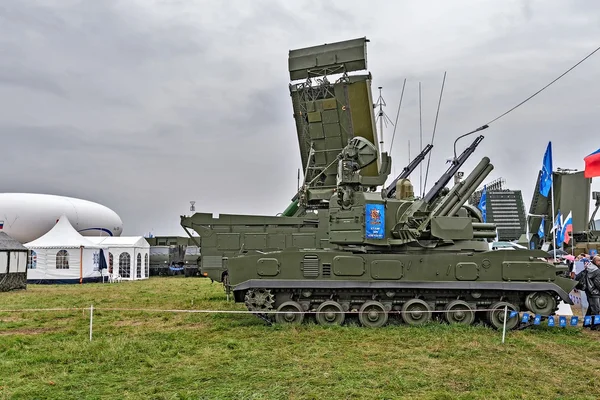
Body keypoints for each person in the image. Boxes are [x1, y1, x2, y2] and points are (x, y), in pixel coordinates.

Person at [574, 255, 600, 330]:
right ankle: (595, 326)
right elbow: (598, 283)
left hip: (589, 291)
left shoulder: (589, 267)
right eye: (599, 261)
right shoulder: (596, 270)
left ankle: (586, 324)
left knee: (591, 309)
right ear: (595, 261)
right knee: (596, 310)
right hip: (594, 292)